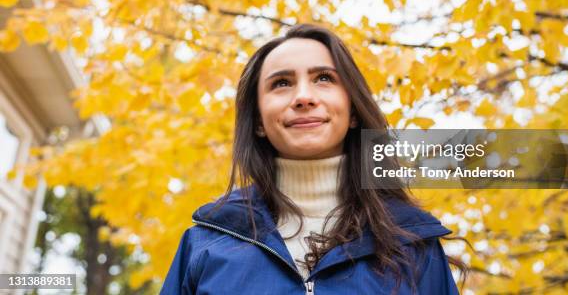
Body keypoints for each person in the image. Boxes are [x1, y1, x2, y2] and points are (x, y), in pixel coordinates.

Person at [161, 24, 461, 294]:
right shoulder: (205, 245)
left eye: (324, 78)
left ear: (353, 110)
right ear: (259, 121)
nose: (303, 97)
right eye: (281, 83)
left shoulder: (414, 246)